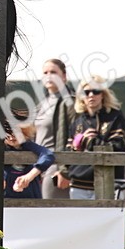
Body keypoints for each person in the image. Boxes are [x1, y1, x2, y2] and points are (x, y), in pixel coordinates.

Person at [59, 76, 125, 200]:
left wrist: (89, 141)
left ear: (103, 94)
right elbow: (67, 155)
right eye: (86, 92)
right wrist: (77, 145)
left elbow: (118, 147)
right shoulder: (77, 121)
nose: (91, 95)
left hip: (109, 184)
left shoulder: (116, 118)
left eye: (96, 91)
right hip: (78, 186)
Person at [34, 58, 74, 200]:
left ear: (64, 77)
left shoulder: (71, 102)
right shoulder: (42, 103)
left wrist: (65, 171)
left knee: (51, 210)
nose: (49, 75)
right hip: (37, 164)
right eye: (45, 72)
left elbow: (74, 138)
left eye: (53, 72)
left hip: (55, 165)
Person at [2, 109, 55, 199]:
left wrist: (29, 176)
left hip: (30, 197)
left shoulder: (28, 145)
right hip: (5, 197)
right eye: (7, 134)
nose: (11, 137)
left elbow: (48, 155)